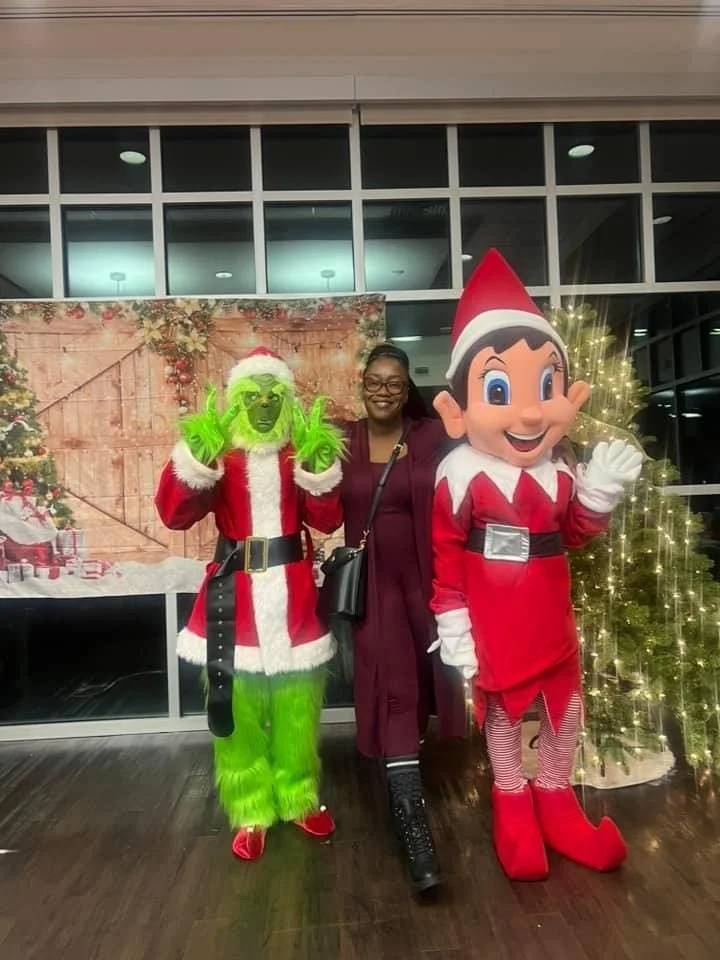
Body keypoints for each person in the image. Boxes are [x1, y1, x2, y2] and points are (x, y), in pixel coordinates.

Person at [430, 249, 643, 881]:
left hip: (553, 625)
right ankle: (514, 807)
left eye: (546, 388)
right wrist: (454, 623)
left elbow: (574, 535)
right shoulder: (460, 475)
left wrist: (598, 496)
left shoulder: (559, 473)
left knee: (562, 714)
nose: (529, 413)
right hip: (497, 627)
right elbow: (445, 556)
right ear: (457, 408)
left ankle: (556, 801)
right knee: (507, 722)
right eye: (501, 390)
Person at [155, 346, 345, 862]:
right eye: (253, 396)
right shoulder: (222, 456)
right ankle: (250, 807)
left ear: (286, 401)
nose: (264, 405)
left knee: (296, 710)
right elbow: (174, 516)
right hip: (232, 600)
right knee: (235, 712)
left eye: (273, 396)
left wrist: (320, 470)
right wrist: (194, 459)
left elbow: (327, 523)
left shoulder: (297, 452)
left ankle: (298, 795)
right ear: (237, 401)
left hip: (294, 602)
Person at [332, 342, 467, 894]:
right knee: (394, 691)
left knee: (418, 687)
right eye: (375, 380)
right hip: (375, 588)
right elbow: (311, 497)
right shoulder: (342, 440)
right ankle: (414, 828)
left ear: (406, 386)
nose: (383, 389)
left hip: (426, 583)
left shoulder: (430, 435)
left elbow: (484, 450)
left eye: (394, 381)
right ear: (362, 383)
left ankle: (403, 768)